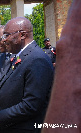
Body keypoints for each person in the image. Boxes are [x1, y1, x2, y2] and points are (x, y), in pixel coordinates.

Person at [0, 17, 54, 133]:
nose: (3, 40)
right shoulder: (18, 56)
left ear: (22, 35)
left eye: (7, 35)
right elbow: (9, 94)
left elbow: (30, 105)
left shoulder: (37, 59)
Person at [42, 0, 81, 132]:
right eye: (46, 42)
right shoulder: (45, 51)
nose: (48, 43)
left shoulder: (55, 49)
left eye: (48, 41)